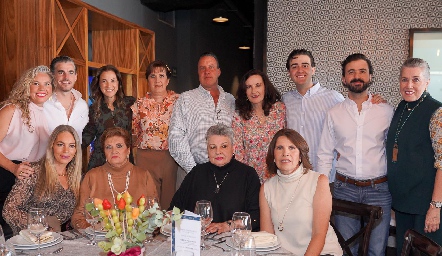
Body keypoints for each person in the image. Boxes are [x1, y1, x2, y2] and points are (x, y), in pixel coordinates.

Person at [317, 53, 393, 255]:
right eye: (351, 72)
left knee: (376, 251)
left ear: (370, 76)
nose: (357, 76)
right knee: (347, 249)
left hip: (379, 190)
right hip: (344, 189)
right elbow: (325, 153)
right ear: (344, 79)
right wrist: (323, 189)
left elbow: (395, 150)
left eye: (362, 71)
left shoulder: (386, 111)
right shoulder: (334, 113)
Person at [386, 58, 442, 253]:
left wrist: (435, 207)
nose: (409, 85)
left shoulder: (437, 112)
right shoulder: (401, 107)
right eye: (404, 79)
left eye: (416, 79)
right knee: (404, 250)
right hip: (403, 202)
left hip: (425, 205)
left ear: (427, 82)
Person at [260, 129, 342, 255]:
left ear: (300, 156)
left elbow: (319, 235)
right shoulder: (266, 188)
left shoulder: (318, 181)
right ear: (273, 156)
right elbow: (267, 239)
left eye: (292, 148)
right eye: (280, 148)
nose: (285, 153)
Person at [169, 124, 260, 233]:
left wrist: (228, 225)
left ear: (233, 148)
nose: (218, 151)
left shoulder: (248, 174)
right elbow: (174, 209)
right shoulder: (196, 173)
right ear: (207, 150)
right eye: (213, 147)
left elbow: (256, 217)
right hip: (199, 240)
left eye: (224, 146)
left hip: (234, 240)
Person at [0, 65, 54, 238]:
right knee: (7, 234)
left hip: (31, 178)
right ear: (27, 86)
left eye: (47, 84)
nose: (42, 89)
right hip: (5, 173)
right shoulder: (11, 109)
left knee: (29, 235)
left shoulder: (51, 114)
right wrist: (13, 168)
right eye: (36, 83)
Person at [72, 127, 157, 229]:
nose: (114, 151)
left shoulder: (143, 175)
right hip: (100, 240)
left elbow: (154, 214)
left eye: (119, 146)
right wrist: (95, 229)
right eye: (108, 147)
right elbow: (78, 217)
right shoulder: (92, 176)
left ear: (128, 150)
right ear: (104, 152)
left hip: (135, 239)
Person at [3, 125, 82, 235]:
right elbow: (9, 210)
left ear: (76, 150)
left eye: (71, 146)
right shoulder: (32, 171)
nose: (66, 151)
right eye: (60, 144)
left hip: (58, 238)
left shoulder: (77, 178)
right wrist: (41, 224)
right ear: (52, 146)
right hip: (30, 237)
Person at [168, 52, 235, 180]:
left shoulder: (231, 100)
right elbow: (175, 137)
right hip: (192, 172)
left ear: (218, 71)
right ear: (198, 73)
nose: (207, 71)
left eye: (211, 67)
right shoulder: (186, 99)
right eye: (202, 68)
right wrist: (195, 170)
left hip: (227, 174)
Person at [282, 49, 344, 180]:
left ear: (313, 69)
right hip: (294, 175)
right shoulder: (285, 101)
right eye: (294, 66)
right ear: (289, 73)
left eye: (305, 65)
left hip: (325, 176)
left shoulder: (333, 98)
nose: (300, 70)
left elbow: (349, 127)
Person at [131, 60, 180, 209]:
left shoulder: (179, 101)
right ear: (147, 80)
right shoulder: (139, 104)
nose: (157, 80)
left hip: (170, 157)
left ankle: (167, 231)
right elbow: (134, 132)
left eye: (161, 75)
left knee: (169, 201)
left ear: (168, 80)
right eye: (153, 76)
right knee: (147, 202)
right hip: (145, 157)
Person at [233, 69, 285, 183]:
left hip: (278, 174)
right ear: (244, 91)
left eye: (258, 85)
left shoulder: (279, 109)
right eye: (249, 87)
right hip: (251, 177)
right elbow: (238, 152)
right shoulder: (239, 116)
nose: (254, 91)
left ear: (265, 87)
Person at [82, 65, 136, 171]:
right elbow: (87, 136)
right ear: (99, 84)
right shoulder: (93, 109)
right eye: (104, 81)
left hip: (124, 160)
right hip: (100, 162)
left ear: (118, 83)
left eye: (112, 80)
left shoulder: (130, 103)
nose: (109, 85)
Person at [44, 56, 88, 142]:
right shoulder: (43, 104)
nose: (66, 77)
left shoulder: (82, 106)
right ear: (52, 76)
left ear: (76, 76)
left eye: (71, 72)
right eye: (61, 72)